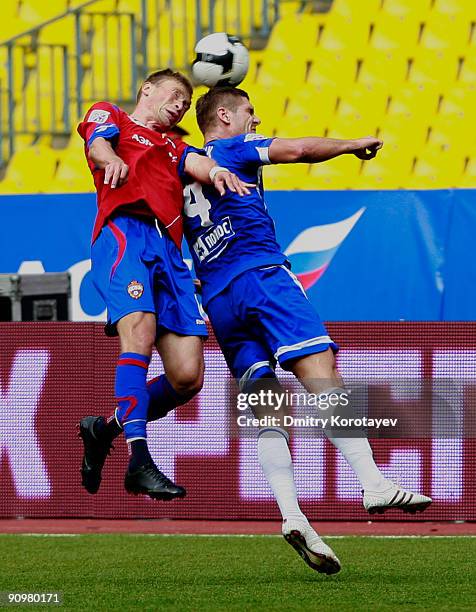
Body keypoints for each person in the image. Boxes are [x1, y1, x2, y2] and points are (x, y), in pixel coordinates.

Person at [182, 86, 432, 574]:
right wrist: (349, 145)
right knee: (320, 371)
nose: (256, 120)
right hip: (261, 277)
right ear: (226, 116)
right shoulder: (227, 150)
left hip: (217, 297)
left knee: (265, 406)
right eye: (250, 113)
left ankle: (292, 514)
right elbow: (296, 151)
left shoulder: (182, 167)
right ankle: (373, 482)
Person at [76, 70, 251, 501]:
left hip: (170, 253)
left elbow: (199, 163)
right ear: (147, 90)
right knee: (139, 333)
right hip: (125, 234)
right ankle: (139, 459)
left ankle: (103, 430)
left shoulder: (174, 145)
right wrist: (109, 157)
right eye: (175, 95)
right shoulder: (112, 115)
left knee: (188, 377)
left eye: (187, 103)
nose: (180, 105)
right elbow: (97, 142)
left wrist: (217, 172)